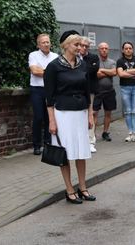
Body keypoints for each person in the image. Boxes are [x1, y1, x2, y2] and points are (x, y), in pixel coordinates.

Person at [44, 30, 96, 204]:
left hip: (80, 113)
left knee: (81, 151)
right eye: (76, 44)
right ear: (66, 45)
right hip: (62, 114)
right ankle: (69, 189)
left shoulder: (82, 65)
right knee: (64, 153)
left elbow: (87, 91)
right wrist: (52, 121)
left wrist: (90, 115)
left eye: (81, 45)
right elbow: (49, 97)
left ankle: (83, 188)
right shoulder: (53, 66)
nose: (80, 48)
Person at [28, 33, 58, 155]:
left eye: (48, 42)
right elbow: (35, 71)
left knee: (49, 117)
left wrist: (43, 71)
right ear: (38, 44)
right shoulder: (33, 55)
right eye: (43, 42)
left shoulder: (55, 56)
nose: (46, 44)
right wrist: (50, 72)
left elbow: (58, 73)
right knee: (38, 117)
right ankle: (36, 145)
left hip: (50, 90)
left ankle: (48, 143)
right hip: (37, 89)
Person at [116, 41, 135, 143]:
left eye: (130, 48)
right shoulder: (120, 61)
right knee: (128, 111)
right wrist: (133, 72)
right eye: (126, 48)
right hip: (125, 88)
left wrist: (126, 71)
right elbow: (120, 74)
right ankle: (130, 133)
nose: (128, 50)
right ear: (123, 50)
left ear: (132, 49)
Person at [94, 42, 117, 141]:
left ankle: (105, 132)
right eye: (102, 48)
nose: (104, 50)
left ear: (108, 50)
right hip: (97, 91)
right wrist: (108, 72)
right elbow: (96, 75)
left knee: (108, 113)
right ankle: (92, 135)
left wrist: (102, 70)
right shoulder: (95, 61)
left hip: (109, 91)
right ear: (98, 50)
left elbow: (114, 72)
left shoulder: (112, 62)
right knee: (94, 113)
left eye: (106, 48)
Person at [80, 36, 100, 153]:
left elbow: (92, 70)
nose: (83, 48)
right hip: (77, 90)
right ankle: (82, 140)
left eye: (86, 46)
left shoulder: (93, 57)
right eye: (82, 45)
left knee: (90, 114)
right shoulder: (75, 57)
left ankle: (91, 141)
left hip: (90, 90)